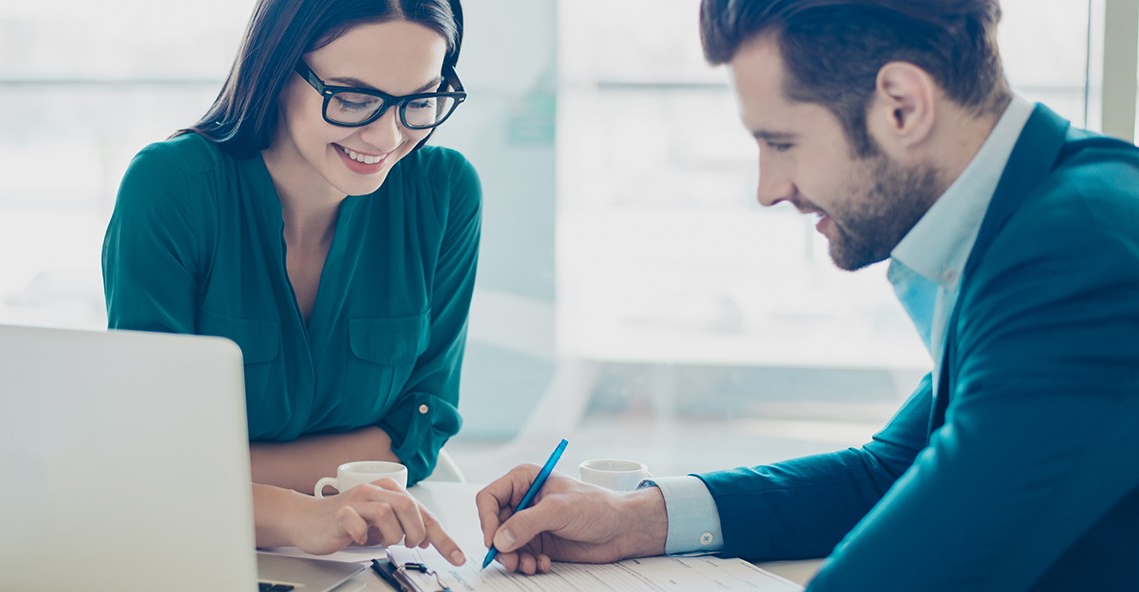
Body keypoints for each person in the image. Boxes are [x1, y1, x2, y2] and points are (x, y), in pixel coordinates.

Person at [476, 1, 1139, 589]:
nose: (768, 188)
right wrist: (631, 521)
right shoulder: (1034, 218)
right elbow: (890, 475)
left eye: (781, 141)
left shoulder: (1082, 255)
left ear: (902, 106)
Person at [102, 0, 477, 562]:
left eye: (420, 100)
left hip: (363, 554)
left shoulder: (445, 193)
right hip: (187, 554)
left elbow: (421, 428)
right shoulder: (171, 188)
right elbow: (147, 456)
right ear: (277, 71)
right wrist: (301, 516)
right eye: (353, 98)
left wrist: (217, 474)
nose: (386, 136)